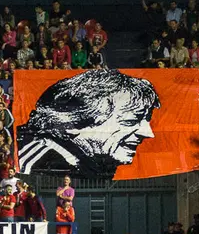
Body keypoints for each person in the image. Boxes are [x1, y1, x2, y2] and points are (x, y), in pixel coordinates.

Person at [17, 69, 160, 175]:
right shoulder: (37, 161)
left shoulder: (84, 162)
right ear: (75, 122)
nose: (147, 133)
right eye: (131, 121)